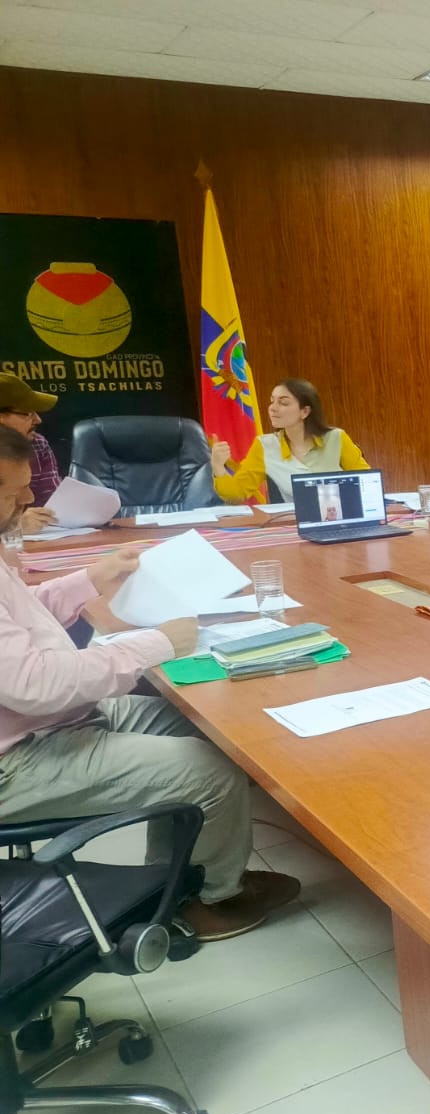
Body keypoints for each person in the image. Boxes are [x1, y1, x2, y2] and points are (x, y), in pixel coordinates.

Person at [0, 425, 299, 939]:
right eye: (13, 492)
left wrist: (91, 579)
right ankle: (207, 902)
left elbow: (21, 618)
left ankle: (169, 881)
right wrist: (157, 643)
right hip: (19, 758)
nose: (29, 499)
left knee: (214, 729)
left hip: (48, 721)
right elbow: (34, 683)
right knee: (207, 769)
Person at [212, 377, 371, 503]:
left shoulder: (336, 438)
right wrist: (218, 466)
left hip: (340, 517)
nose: (272, 408)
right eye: (272, 401)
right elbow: (236, 494)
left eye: (283, 402)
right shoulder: (265, 446)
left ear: (305, 411)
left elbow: (369, 483)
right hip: (295, 524)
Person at [0, 371, 60, 532]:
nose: (38, 419)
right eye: (27, 412)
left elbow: (52, 505)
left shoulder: (37, 444)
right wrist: (14, 527)